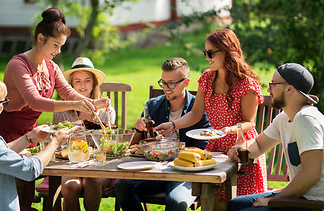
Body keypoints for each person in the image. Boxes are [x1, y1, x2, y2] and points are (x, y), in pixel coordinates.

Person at [0, 7, 109, 209]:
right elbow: (34, 101)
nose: (58, 50)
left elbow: (67, 92)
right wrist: (75, 104)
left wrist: (90, 102)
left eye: (61, 46)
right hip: (8, 134)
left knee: (27, 190)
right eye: (56, 45)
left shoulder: (51, 66)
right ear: (40, 38)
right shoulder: (18, 64)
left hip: (33, 135)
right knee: (15, 192)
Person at [155, 29, 267, 211]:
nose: (207, 57)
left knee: (239, 207)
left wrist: (231, 129)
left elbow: (249, 122)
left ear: (228, 52)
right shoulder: (207, 78)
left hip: (242, 148)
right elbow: (195, 114)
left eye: (211, 53)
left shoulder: (247, 83)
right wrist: (172, 125)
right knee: (213, 203)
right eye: (205, 52)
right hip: (215, 148)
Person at [114, 57, 212, 211]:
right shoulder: (153, 105)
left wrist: (175, 152)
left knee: (176, 201)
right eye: (163, 82)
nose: (166, 88)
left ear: (186, 82)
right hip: (153, 171)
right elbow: (133, 146)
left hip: (184, 173)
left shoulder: (198, 109)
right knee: (121, 184)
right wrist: (139, 129)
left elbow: (204, 148)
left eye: (172, 83)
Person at [0, 77, 71, 211]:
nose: (4, 106)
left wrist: (29, 138)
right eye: (3, 102)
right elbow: (30, 170)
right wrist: (55, 142)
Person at [227, 63, 322, 211]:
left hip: (314, 203)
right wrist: (241, 148)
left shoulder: (306, 119)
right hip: (300, 196)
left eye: (273, 85)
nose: (268, 89)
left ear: (289, 89)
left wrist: (273, 201)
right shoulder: (284, 117)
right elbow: (258, 146)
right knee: (235, 204)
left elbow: (311, 174)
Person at [53, 57, 115, 211]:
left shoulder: (106, 110)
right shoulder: (62, 110)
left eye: (87, 80)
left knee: (92, 180)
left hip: (98, 165)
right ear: (70, 84)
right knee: (70, 187)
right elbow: (58, 143)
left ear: (94, 83)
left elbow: (106, 143)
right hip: (71, 163)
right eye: (78, 81)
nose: (82, 85)